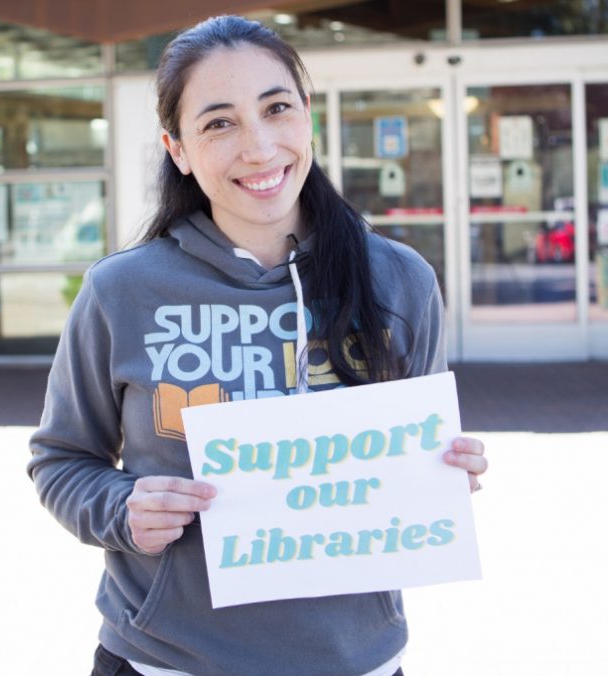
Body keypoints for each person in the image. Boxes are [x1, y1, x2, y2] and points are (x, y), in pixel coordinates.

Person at [28, 15, 488, 676]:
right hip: (165, 662)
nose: (260, 145)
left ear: (309, 119)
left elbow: (408, 463)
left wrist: (443, 473)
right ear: (177, 149)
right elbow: (61, 458)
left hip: (356, 661)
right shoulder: (121, 292)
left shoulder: (400, 280)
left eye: (277, 109)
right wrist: (120, 508)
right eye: (219, 122)